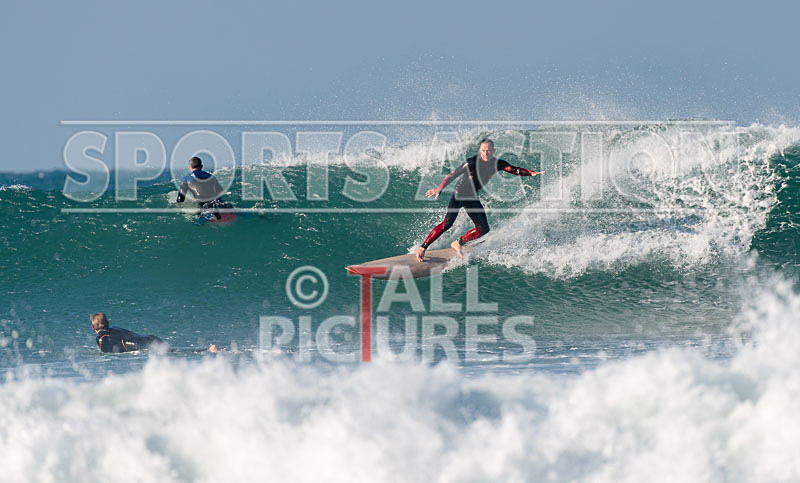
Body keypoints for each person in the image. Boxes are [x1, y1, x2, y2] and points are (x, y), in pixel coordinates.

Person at [416, 139, 544, 262]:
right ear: (480, 150)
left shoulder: (498, 164)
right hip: (459, 195)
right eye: (483, 150)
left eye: (488, 150)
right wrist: (439, 188)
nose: (485, 153)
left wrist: (530, 172)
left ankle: (458, 242)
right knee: (447, 224)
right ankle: (423, 247)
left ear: (493, 151)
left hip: (472, 197)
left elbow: (514, 169)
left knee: (483, 229)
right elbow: (453, 174)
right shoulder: (471, 162)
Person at [91, 312, 219, 353]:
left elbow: (109, 351)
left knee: (176, 354)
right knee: (175, 352)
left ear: (93, 327)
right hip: (149, 339)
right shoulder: (116, 329)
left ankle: (208, 351)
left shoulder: (101, 337)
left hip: (145, 346)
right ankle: (207, 350)